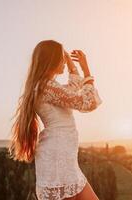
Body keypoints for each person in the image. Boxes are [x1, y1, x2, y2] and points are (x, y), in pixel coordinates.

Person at [8, 39, 102, 200]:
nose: (64, 63)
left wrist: (73, 66)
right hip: (58, 157)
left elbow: (72, 91)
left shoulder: (47, 86)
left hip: (65, 157)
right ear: (53, 60)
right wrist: (86, 69)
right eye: (62, 58)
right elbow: (86, 102)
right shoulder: (46, 86)